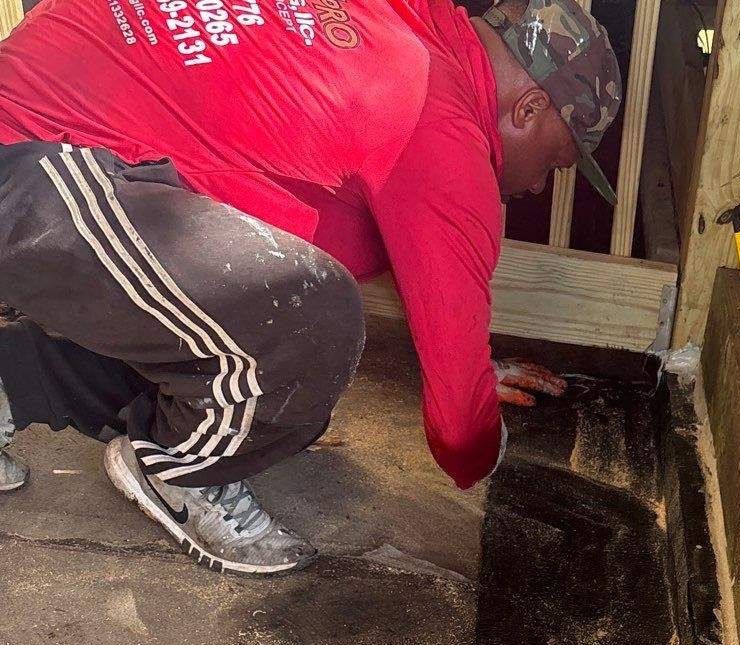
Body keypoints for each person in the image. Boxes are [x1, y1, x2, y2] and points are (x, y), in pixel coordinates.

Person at [0, 0, 622, 574]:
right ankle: (178, 466)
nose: (540, 186)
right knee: (308, 320)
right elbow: (460, 438)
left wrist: (469, 361)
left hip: (44, 106)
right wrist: (479, 413)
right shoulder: (441, 135)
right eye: (555, 162)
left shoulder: (401, 22)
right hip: (37, 168)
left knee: (236, 304)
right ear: (529, 108)